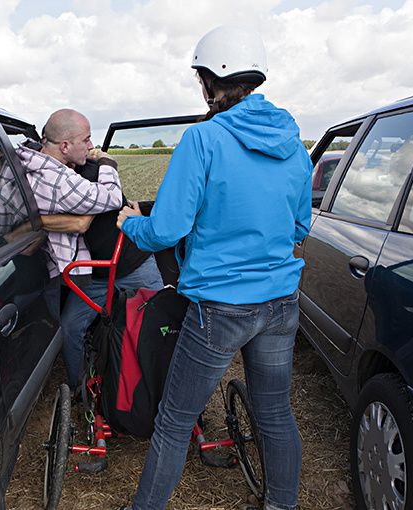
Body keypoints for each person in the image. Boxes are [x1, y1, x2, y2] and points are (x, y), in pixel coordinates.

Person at [116, 26, 312, 510]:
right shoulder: (292, 141)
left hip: (220, 309)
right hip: (280, 302)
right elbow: (299, 225)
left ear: (208, 81)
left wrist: (131, 224)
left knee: (174, 420)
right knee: (276, 414)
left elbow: (167, 229)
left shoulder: (202, 138)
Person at [0, 109, 163, 388]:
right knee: (70, 328)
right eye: (86, 139)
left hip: (133, 263)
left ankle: (161, 380)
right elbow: (53, 225)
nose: (91, 146)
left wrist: (38, 223)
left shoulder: (94, 170)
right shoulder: (45, 180)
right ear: (64, 146)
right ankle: (79, 387)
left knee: (160, 318)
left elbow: (84, 221)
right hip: (94, 276)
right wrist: (37, 224)